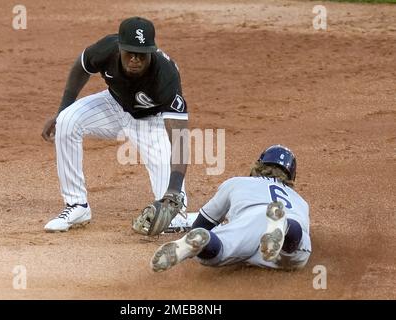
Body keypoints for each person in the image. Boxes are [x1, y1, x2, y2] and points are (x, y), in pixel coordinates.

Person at [41, 17, 191, 232]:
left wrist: (174, 189)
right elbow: (80, 67)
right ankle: (77, 205)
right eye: (130, 52)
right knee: (67, 120)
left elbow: (180, 140)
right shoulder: (106, 49)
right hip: (113, 104)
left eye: (142, 54)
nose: (135, 60)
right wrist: (62, 110)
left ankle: (193, 219)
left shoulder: (166, 76)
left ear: (152, 51)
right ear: (120, 47)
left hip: (151, 122)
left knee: (171, 215)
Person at [150, 145, 312, 272]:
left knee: (219, 250)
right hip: (286, 220)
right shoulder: (300, 202)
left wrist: (201, 232)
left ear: (259, 165)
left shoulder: (237, 183)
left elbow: (203, 222)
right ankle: (285, 226)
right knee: (293, 253)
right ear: (291, 176)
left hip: (248, 221)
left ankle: (204, 243)